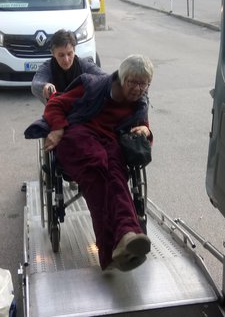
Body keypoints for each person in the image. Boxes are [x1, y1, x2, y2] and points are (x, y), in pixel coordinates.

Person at [40, 54, 154, 272]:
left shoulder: (139, 104)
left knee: (116, 175)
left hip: (109, 140)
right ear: (122, 78)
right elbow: (55, 104)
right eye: (133, 82)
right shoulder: (93, 86)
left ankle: (128, 235)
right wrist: (57, 128)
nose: (138, 89)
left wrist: (145, 130)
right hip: (78, 133)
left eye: (144, 84)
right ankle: (111, 247)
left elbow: (143, 128)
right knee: (97, 168)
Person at [31, 29, 103, 103]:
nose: (66, 59)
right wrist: (45, 86)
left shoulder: (84, 65)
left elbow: (104, 78)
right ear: (53, 53)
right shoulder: (47, 67)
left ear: (74, 50)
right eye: (61, 55)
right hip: (56, 109)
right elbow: (35, 84)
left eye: (69, 54)